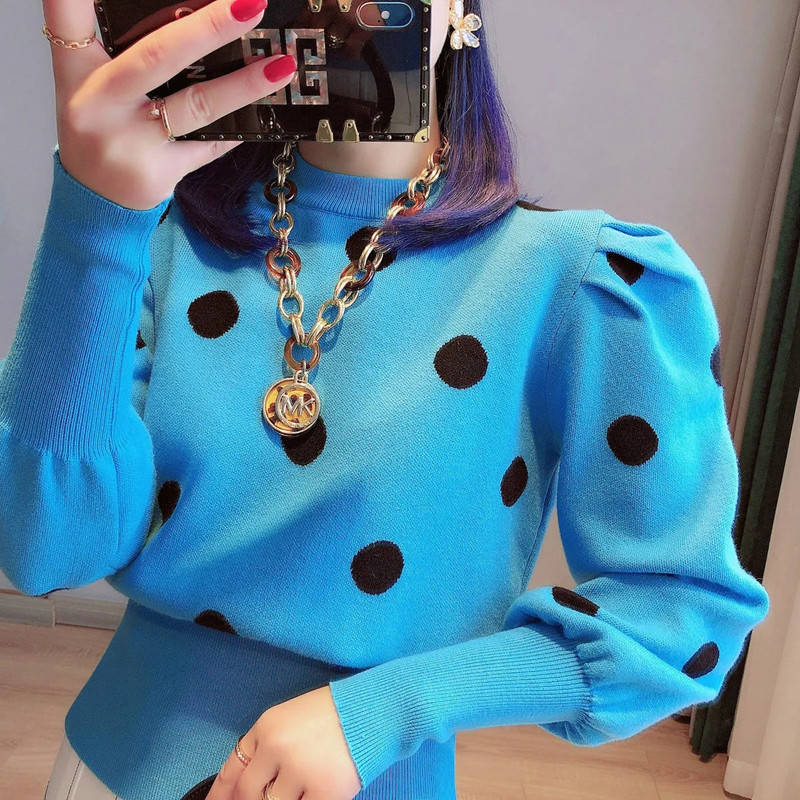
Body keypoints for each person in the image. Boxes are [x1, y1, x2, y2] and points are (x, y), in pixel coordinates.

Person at [0, 0, 771, 799]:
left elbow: (681, 613)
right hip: (110, 771)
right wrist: (97, 213)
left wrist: (394, 706)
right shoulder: (154, 225)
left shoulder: (577, 282)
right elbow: (46, 553)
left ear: (460, 12)